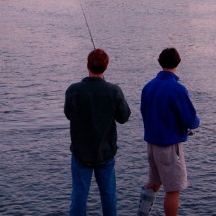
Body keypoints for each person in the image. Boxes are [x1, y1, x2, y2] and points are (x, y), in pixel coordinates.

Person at [64, 48, 131, 216]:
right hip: (106, 152)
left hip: (80, 152)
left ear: (87, 66)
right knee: (108, 196)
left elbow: (68, 114)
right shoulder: (114, 91)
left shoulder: (73, 90)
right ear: (106, 67)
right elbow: (124, 117)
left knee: (79, 195)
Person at [139, 48, 200, 216]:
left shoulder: (148, 87)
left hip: (151, 144)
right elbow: (190, 120)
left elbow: (144, 112)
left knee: (153, 184)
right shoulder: (177, 89)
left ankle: (142, 214)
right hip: (169, 147)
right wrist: (196, 123)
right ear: (177, 63)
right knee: (173, 190)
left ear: (160, 62)